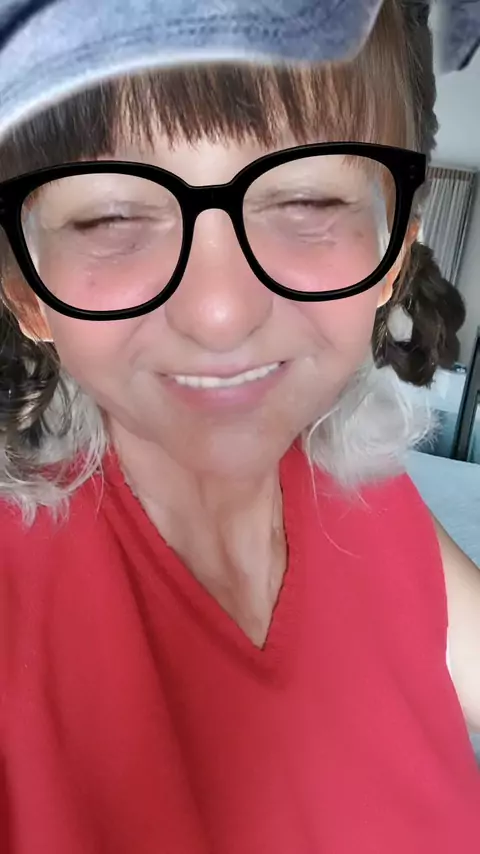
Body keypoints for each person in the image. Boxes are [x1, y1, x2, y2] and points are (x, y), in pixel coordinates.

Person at [0, 0, 479, 851]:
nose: (220, 314)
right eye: (110, 218)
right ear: (27, 295)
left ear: (392, 256)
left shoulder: (373, 497)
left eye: (308, 198)